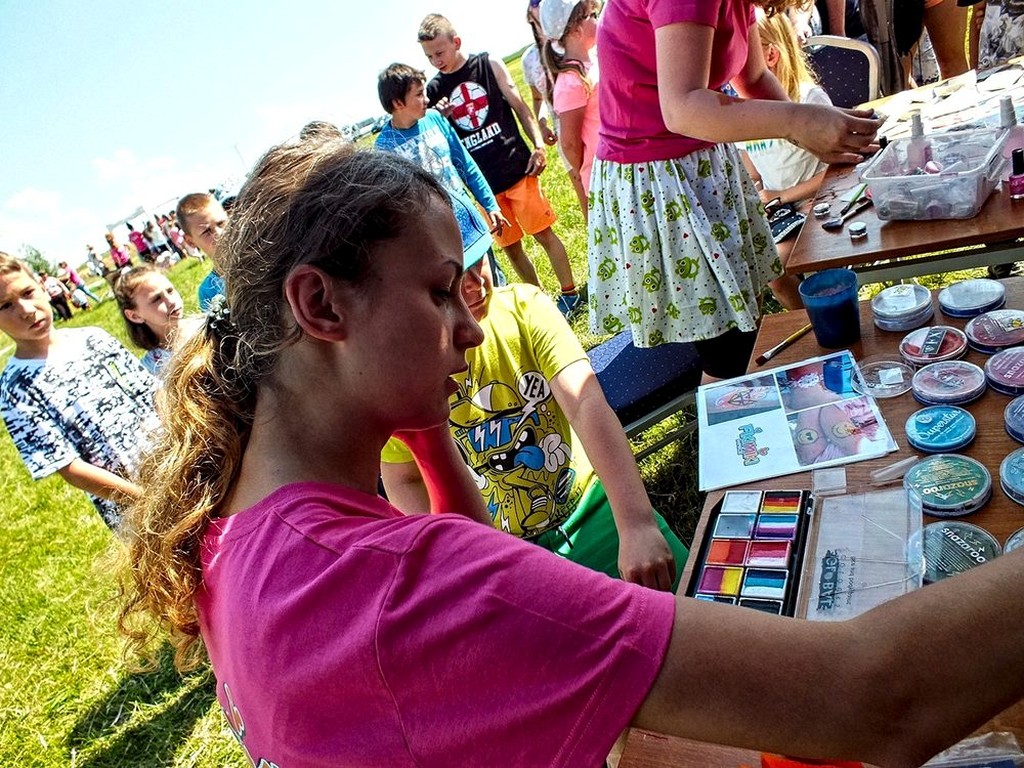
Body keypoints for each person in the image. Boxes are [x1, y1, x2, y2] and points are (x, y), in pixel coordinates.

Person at [116, 138, 1024, 768]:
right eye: (440, 295)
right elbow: (874, 697)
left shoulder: (230, 534)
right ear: (320, 306)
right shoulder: (408, 585)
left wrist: (420, 416)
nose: (472, 328)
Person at [587, 0, 880, 381]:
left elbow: (753, 76)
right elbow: (683, 108)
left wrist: (819, 130)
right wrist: (798, 121)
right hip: (663, 183)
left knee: (745, 321)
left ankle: (758, 415)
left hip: (704, 165)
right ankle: (740, 427)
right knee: (726, 353)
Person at [381, 236, 686, 590]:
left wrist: (636, 524)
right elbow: (403, 477)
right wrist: (452, 566)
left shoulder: (526, 309)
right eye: (450, 277)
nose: (476, 280)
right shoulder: (396, 373)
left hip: (591, 509)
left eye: (480, 260)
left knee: (692, 604)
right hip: (502, 556)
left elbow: (585, 402)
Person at [418, 13, 582, 316]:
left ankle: (570, 293)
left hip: (518, 169)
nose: (435, 61)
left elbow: (520, 105)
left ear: (456, 42)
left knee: (543, 233)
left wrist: (536, 145)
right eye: (429, 56)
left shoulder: (487, 64)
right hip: (483, 188)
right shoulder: (434, 91)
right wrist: (442, 118)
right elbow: (432, 135)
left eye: (439, 53)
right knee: (511, 249)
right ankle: (540, 304)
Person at [0, 254, 159, 531]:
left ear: (42, 285)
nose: (26, 310)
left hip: (176, 464)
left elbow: (153, 395)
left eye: (27, 292)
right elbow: (70, 467)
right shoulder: (16, 388)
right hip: (135, 510)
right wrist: (145, 499)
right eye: (5, 306)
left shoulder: (94, 338)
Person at [374, 62, 508, 278]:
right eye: (418, 95)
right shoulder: (383, 147)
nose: (426, 100)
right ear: (398, 102)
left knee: (491, 278)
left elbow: (465, 163)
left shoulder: (435, 119)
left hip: (468, 220)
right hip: (433, 236)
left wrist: (489, 204)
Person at [740, 9, 832, 309]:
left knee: (774, 262)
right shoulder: (741, 113)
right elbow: (753, 175)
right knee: (751, 261)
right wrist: (759, 200)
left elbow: (838, 168)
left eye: (735, 56)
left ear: (770, 56)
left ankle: (816, 320)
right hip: (779, 208)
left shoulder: (807, 101)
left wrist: (783, 196)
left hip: (819, 200)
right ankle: (806, 321)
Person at [540, 0, 601, 220]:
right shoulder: (571, 82)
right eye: (592, 15)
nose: (598, 18)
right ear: (575, 29)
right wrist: (588, 167)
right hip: (600, 172)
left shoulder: (594, 62)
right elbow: (570, 143)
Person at [113, 265, 184, 375]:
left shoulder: (209, 330)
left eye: (170, 291)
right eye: (157, 299)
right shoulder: (150, 370)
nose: (171, 301)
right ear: (134, 316)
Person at [176, 192, 227, 311]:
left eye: (221, 223)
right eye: (207, 232)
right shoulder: (208, 292)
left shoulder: (261, 257)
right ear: (191, 241)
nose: (220, 234)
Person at [522, 0, 559, 149]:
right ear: (529, 15)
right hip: (563, 130)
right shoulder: (529, 59)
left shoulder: (574, 41)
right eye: (536, 2)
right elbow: (538, 98)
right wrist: (542, 125)